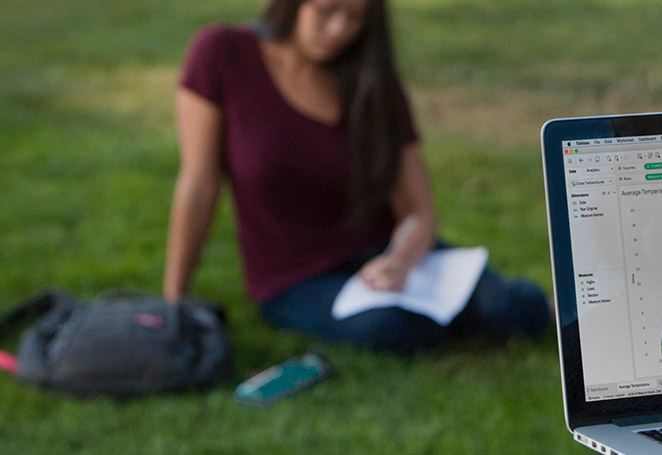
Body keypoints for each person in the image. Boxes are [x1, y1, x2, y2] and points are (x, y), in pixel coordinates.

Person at [163, 0, 549, 352]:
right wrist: (174, 298)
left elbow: (418, 209)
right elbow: (199, 183)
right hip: (294, 277)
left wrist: (398, 262)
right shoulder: (222, 53)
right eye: (326, 12)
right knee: (389, 326)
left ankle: (575, 309)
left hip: (383, 255)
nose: (338, 31)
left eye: (354, 19)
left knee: (500, 305)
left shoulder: (371, 79)